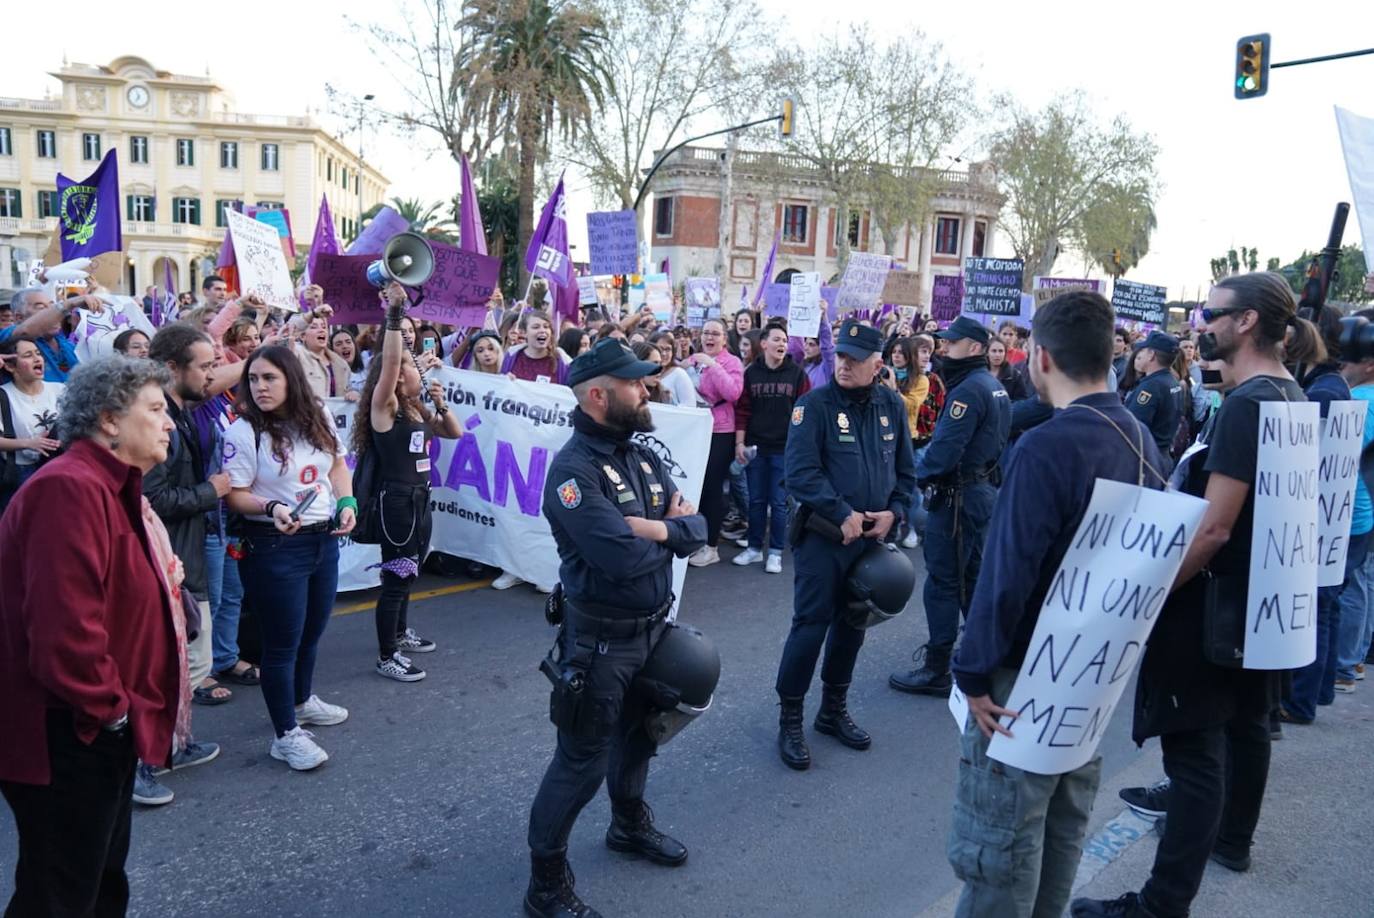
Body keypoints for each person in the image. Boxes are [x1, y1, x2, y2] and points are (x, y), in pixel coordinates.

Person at [1072, 272, 1325, 918]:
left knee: (1195, 759)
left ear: (1245, 323)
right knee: (1243, 734)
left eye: (1211, 314)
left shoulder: (1248, 406)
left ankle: (1160, 905)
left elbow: (1214, 527)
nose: (1198, 324)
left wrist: (1144, 594)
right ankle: (1232, 842)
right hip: (1256, 608)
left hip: (1215, 610)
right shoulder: (1290, 395)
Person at [949, 291, 1167, 918]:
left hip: (1022, 677)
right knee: (1057, 837)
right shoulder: (1142, 440)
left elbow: (1006, 572)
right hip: (1086, 676)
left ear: (1040, 358)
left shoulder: (1046, 445)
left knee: (1001, 848)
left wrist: (972, 669)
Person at [524, 337, 707, 918]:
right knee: (580, 766)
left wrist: (658, 532)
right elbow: (622, 561)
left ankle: (628, 826)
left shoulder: (642, 454)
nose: (647, 387)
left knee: (639, 738)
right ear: (600, 396)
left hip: (653, 630)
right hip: (599, 646)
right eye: (635, 382)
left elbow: (697, 524)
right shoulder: (574, 474)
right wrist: (670, 535)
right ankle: (545, 887)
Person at [0, 355, 181, 916]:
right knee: (60, 895)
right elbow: (65, 630)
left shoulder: (110, 486)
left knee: (98, 881)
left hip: (93, 728)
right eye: (155, 409)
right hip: (68, 732)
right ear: (108, 420)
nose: (169, 422)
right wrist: (112, 713)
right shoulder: (70, 488)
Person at [775, 320, 916, 770]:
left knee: (854, 625)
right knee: (811, 626)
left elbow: (906, 472)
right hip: (824, 538)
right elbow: (799, 473)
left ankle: (832, 710)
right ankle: (790, 718)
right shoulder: (813, 406)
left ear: (879, 364)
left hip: (871, 538)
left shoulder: (891, 405)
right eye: (841, 356)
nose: (845, 365)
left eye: (856, 359)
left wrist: (895, 511)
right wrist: (841, 512)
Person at [221, 345, 357, 771]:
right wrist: (271, 508)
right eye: (254, 379)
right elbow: (236, 496)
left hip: (322, 540)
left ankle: (301, 701)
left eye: (269, 378)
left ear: (291, 379)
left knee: (312, 631)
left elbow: (337, 464)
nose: (260, 387)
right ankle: (285, 735)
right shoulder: (242, 431)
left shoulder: (315, 414)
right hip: (274, 547)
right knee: (280, 645)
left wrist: (347, 501)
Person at [891, 315, 1011, 696]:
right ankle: (984, 657)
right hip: (979, 494)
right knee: (971, 580)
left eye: (953, 343)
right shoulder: (990, 385)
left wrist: (906, 481)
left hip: (959, 499)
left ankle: (937, 667)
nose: (945, 348)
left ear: (974, 348)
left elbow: (943, 453)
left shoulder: (968, 390)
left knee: (943, 583)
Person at [353, 284, 462, 682]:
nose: (422, 367)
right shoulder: (387, 408)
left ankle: (399, 633)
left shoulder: (416, 410)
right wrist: (396, 314)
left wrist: (440, 401)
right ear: (398, 377)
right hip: (396, 503)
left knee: (410, 572)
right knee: (397, 578)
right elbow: (393, 358)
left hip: (419, 499)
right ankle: (387, 655)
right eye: (413, 366)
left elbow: (453, 432)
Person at [140, 325, 228, 802]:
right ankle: (141, 764)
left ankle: (175, 744)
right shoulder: (159, 420)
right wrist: (208, 492)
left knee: (189, 663)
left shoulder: (183, 414)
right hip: (167, 559)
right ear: (172, 369)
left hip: (186, 553)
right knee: (166, 669)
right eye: (205, 365)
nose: (212, 374)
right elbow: (149, 496)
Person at [1282, 305, 1358, 720]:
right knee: (1325, 604)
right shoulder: (1328, 384)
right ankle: (1317, 691)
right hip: (1334, 514)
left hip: (1322, 516)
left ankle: (1300, 700)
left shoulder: (1325, 391)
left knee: (1318, 604)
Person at [734, 320, 810, 573]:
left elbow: (804, 412)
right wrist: (740, 443)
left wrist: (800, 447)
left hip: (784, 449)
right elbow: (742, 411)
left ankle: (775, 552)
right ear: (763, 344)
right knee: (756, 500)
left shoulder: (797, 374)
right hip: (756, 447)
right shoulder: (750, 373)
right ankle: (754, 548)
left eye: (785, 341)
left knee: (778, 502)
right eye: (776, 339)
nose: (782, 344)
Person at [1334, 316, 1374, 692]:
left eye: (1347, 360)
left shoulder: (1359, 400)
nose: (1341, 367)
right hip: (1366, 508)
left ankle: (1346, 665)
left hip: (1355, 508)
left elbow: (1348, 455)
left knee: (1351, 588)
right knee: (1363, 584)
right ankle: (1355, 659)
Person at [684, 317, 744, 567]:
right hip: (695, 428)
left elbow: (733, 393)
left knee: (712, 488)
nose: (709, 338)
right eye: (706, 333)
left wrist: (713, 365)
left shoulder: (732, 362)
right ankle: (695, 541)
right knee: (696, 486)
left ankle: (711, 546)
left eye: (715, 334)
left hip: (720, 430)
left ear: (725, 339)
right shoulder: (694, 359)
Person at [0, 335, 65, 492]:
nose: (37, 359)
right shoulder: (3, 395)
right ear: (10, 367)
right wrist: (28, 443)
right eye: (28, 355)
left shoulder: (60, 390)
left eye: (38, 353)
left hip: (59, 467)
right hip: (22, 473)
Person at [884, 336, 929, 549]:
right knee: (885, 485)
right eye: (894, 352)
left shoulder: (921, 380)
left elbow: (911, 405)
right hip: (884, 436)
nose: (896, 356)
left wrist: (893, 390)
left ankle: (912, 527)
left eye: (901, 353)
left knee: (909, 487)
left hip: (908, 439)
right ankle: (888, 530)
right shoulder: (884, 374)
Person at [1123, 330, 1183, 477]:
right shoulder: (1173, 382)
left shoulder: (1151, 386)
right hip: (1161, 458)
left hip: (1146, 462)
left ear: (1152, 355)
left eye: (1143, 350)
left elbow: (1134, 429)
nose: (1139, 354)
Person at [1, 286, 91, 382]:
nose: (54, 314)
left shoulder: (69, 346)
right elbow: (24, 332)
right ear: (19, 317)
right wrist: (68, 304)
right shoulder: (10, 337)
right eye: (41, 308)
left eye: (53, 306)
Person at [294, 306, 355, 402]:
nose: (321, 330)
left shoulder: (341, 363)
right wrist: (313, 313)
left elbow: (348, 388)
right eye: (314, 327)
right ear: (302, 336)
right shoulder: (297, 355)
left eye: (323, 327)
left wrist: (353, 393)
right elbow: (287, 333)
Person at [502, 310, 569, 384]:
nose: (542, 331)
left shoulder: (561, 360)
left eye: (546, 327)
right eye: (536, 327)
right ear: (524, 333)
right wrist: (505, 380)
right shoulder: (511, 356)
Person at [651, 330, 696, 407]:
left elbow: (690, 406)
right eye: (660, 349)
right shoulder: (645, 373)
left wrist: (668, 400)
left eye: (668, 349)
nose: (664, 353)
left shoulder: (679, 374)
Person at [331, 327, 368, 395]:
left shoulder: (368, 367)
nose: (345, 346)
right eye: (339, 344)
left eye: (348, 342)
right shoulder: (331, 376)